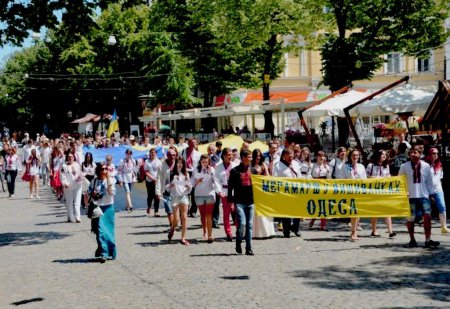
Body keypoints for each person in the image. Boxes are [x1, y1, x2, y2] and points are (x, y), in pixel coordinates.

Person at [399, 148, 440, 248]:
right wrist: (404, 192)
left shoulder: (426, 166)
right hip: (410, 196)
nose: (413, 154)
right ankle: (412, 240)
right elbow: (400, 180)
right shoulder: (404, 166)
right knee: (410, 219)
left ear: (420, 154)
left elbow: (429, 182)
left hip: (423, 195)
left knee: (427, 216)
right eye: (411, 153)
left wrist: (431, 194)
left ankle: (428, 240)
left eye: (415, 152)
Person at [228, 149, 255, 255]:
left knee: (249, 225)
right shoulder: (235, 171)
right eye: (249, 157)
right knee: (242, 224)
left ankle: (249, 248)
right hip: (239, 202)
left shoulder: (253, 170)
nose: (251, 159)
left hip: (251, 202)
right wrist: (230, 202)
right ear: (243, 158)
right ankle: (238, 241)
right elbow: (230, 187)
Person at [88, 163, 117, 263]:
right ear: (99, 170)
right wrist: (93, 194)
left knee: (109, 231)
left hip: (109, 207)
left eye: (106, 169)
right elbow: (89, 192)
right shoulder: (94, 181)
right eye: (102, 169)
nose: (105, 170)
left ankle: (111, 252)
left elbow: (111, 192)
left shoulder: (111, 180)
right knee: (100, 231)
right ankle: (103, 253)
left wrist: (108, 178)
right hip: (98, 208)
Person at [366, 149, 397, 238]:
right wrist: (376, 178)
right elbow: (366, 176)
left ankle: (390, 231)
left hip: (384, 191)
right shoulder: (371, 165)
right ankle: (374, 230)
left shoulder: (386, 166)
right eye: (382, 154)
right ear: (378, 155)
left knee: (387, 210)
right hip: (373, 191)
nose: (384, 156)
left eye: (385, 154)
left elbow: (388, 176)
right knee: (374, 211)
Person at [273, 149, 301, 238]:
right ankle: (286, 230)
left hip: (296, 191)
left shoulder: (296, 164)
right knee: (286, 212)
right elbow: (275, 179)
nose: (290, 158)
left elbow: (299, 176)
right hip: (284, 192)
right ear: (284, 156)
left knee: (298, 211)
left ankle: (295, 227)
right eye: (288, 156)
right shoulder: (278, 166)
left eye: (292, 156)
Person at [192, 154, 220, 243]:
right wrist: (197, 181)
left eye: (206, 162)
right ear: (200, 162)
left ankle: (210, 235)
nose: (204, 163)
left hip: (209, 194)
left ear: (208, 162)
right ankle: (204, 231)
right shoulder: (196, 170)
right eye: (203, 162)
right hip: (199, 194)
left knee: (209, 215)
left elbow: (215, 181)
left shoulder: (211, 169)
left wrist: (218, 191)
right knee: (202, 215)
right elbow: (192, 183)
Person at [214, 147, 238, 241]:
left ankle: (239, 230)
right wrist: (219, 191)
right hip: (225, 192)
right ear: (223, 156)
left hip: (235, 192)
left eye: (231, 154)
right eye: (228, 155)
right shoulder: (218, 167)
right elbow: (216, 180)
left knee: (236, 212)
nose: (230, 156)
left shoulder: (235, 165)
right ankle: (228, 232)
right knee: (226, 213)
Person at [251, 148, 276, 238]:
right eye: (256, 156)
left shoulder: (263, 165)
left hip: (262, 190)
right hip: (253, 190)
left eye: (259, 156)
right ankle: (255, 232)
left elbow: (268, 177)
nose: (258, 157)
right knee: (254, 211)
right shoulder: (250, 166)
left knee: (263, 211)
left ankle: (266, 232)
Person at [166, 157, 191, 245]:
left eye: (181, 163)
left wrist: (188, 187)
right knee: (176, 220)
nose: (180, 164)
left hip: (184, 196)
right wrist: (170, 186)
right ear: (175, 163)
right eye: (178, 163)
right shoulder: (171, 173)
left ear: (183, 164)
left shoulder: (186, 174)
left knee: (184, 218)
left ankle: (183, 238)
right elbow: (167, 187)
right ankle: (172, 228)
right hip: (174, 197)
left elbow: (190, 187)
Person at [343, 149, 367, 241]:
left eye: (357, 155)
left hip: (359, 192)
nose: (355, 157)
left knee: (357, 212)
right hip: (349, 191)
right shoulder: (345, 166)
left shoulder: (361, 166)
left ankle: (355, 231)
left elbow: (364, 179)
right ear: (350, 156)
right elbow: (342, 179)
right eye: (353, 155)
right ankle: (353, 233)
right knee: (353, 212)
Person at [425, 148, 449, 234]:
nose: (435, 155)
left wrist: (440, 188)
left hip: (438, 189)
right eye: (433, 153)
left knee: (442, 207)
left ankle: (444, 226)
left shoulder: (439, 164)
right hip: (428, 190)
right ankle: (427, 227)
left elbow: (440, 178)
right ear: (429, 155)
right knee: (426, 210)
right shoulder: (425, 166)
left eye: (436, 153)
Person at [156, 148, 177, 237]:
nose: (172, 157)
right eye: (170, 155)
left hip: (177, 191)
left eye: (173, 155)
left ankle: (174, 225)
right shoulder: (162, 165)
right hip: (167, 191)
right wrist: (158, 192)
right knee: (169, 210)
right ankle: (172, 227)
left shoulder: (178, 163)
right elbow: (159, 179)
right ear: (167, 156)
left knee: (176, 210)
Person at [309, 151, 331, 231]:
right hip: (315, 187)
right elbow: (309, 175)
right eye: (319, 156)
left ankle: (323, 225)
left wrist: (328, 173)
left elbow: (329, 178)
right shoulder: (312, 165)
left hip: (324, 188)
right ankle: (313, 219)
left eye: (323, 156)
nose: (321, 157)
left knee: (324, 205)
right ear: (316, 157)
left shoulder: (327, 167)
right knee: (316, 205)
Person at [61, 151, 83, 223]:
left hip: (77, 185)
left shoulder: (77, 165)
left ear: (74, 157)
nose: (70, 158)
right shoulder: (64, 166)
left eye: (72, 157)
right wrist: (65, 183)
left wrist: (80, 177)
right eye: (69, 157)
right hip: (68, 186)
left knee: (77, 201)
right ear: (67, 158)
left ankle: (78, 217)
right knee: (69, 202)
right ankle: (70, 216)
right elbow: (62, 175)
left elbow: (80, 173)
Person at [182, 138, 201, 217]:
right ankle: (186, 208)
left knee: (194, 193)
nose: (193, 144)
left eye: (194, 143)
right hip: (185, 173)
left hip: (193, 173)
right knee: (185, 192)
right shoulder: (182, 152)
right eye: (191, 142)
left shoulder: (198, 154)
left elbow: (199, 166)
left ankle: (193, 210)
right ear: (188, 143)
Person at [144, 148, 162, 217]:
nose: (153, 154)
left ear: (156, 154)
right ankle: (149, 206)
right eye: (151, 152)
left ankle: (156, 211)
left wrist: (158, 179)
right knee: (150, 196)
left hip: (157, 181)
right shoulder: (146, 161)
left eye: (154, 152)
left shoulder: (159, 161)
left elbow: (160, 171)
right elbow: (146, 172)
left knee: (157, 195)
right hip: (149, 180)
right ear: (149, 154)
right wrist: (152, 178)